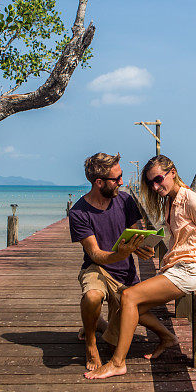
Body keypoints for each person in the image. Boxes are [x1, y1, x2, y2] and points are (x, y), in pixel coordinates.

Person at [84, 154, 196, 379]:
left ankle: (117, 362)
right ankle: (168, 338)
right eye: (151, 182)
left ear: (173, 172)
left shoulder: (192, 200)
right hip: (176, 267)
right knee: (131, 308)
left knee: (130, 297)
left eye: (159, 179)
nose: (155, 185)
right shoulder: (171, 201)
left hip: (190, 269)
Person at [68, 152, 177, 371]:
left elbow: (136, 234)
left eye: (121, 176)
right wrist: (121, 253)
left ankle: (99, 325)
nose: (122, 182)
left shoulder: (125, 200)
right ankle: (90, 344)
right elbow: (96, 254)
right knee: (92, 296)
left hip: (125, 272)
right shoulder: (78, 213)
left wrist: (142, 247)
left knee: (115, 339)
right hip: (96, 268)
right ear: (99, 182)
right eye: (116, 179)